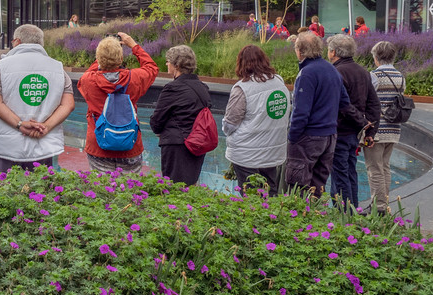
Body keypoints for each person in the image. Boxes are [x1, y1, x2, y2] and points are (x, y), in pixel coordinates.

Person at [0, 23, 75, 173]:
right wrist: (45, 127)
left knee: (3, 193)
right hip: (42, 146)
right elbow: (68, 105)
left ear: (18, 42)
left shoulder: (2, 66)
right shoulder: (58, 68)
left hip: (7, 147)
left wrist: (20, 124)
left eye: (13, 41)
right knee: (38, 192)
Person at [78, 31, 158, 174]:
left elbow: (89, 71)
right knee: (130, 193)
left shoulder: (88, 81)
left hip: (98, 147)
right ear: (121, 59)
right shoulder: (135, 78)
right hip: (130, 146)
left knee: (101, 191)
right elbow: (151, 68)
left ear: (98, 59)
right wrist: (133, 45)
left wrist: (104, 55)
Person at [286, 31, 352, 199]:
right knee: (317, 187)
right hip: (329, 136)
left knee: (298, 189)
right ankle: (314, 220)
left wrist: (292, 138)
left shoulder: (307, 73)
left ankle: (299, 222)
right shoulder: (332, 69)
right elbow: (344, 102)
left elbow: (300, 112)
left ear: (300, 51)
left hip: (309, 137)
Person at [222, 45, 290, 196]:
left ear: (241, 63)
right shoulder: (279, 82)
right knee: (270, 192)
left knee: (250, 196)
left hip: (247, 154)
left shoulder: (242, 88)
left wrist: (226, 131)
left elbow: (230, 123)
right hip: (273, 151)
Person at [325, 34, 379, 211]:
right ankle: (353, 210)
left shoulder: (336, 72)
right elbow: (373, 104)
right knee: (350, 172)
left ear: (333, 52)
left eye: (329, 50)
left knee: (340, 175)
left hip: (340, 130)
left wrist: (364, 123)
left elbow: (341, 105)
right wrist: (369, 131)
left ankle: (345, 216)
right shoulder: (363, 71)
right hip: (354, 133)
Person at [148, 45, 210, 186]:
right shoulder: (203, 88)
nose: (166, 64)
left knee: (174, 190)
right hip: (197, 144)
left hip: (176, 146)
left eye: (168, 61)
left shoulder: (172, 89)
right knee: (191, 187)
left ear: (176, 65)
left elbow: (156, 122)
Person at [366, 40, 407, 215]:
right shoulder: (400, 77)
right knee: (385, 166)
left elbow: (368, 101)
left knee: (374, 168)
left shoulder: (373, 76)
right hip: (394, 128)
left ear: (376, 57)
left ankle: (379, 206)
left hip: (377, 129)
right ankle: (384, 202)